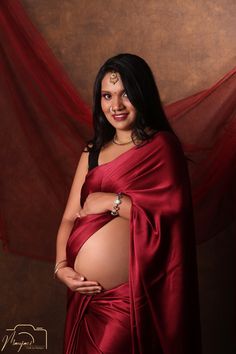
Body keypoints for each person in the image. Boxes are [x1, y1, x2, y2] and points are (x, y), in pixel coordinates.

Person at [55, 53, 202, 354]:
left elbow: (170, 215)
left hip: (132, 299)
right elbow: (70, 217)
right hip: (85, 297)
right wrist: (60, 267)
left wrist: (110, 201)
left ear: (142, 94)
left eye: (126, 94)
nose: (116, 105)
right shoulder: (91, 152)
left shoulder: (161, 147)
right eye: (107, 96)